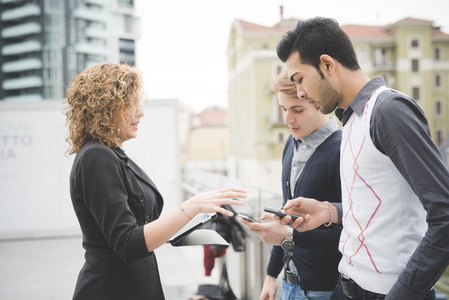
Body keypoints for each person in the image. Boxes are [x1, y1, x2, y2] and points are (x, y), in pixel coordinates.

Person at [276, 16, 449, 300]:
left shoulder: (388, 111)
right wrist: (329, 211)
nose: (300, 93)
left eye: (300, 80)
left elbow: (444, 214)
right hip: (346, 287)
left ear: (328, 65)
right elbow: (387, 206)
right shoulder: (353, 120)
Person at [63, 63, 247, 300]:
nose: (140, 113)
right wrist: (191, 207)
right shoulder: (97, 157)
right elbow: (127, 243)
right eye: (131, 105)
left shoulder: (109, 154)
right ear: (108, 108)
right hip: (113, 289)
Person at [240, 70, 342, 300]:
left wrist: (288, 236)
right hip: (289, 285)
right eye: (283, 109)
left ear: (321, 103)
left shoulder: (341, 151)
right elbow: (287, 217)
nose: (287, 120)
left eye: (297, 110)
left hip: (324, 290)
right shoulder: (291, 143)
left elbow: (352, 234)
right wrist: (270, 276)